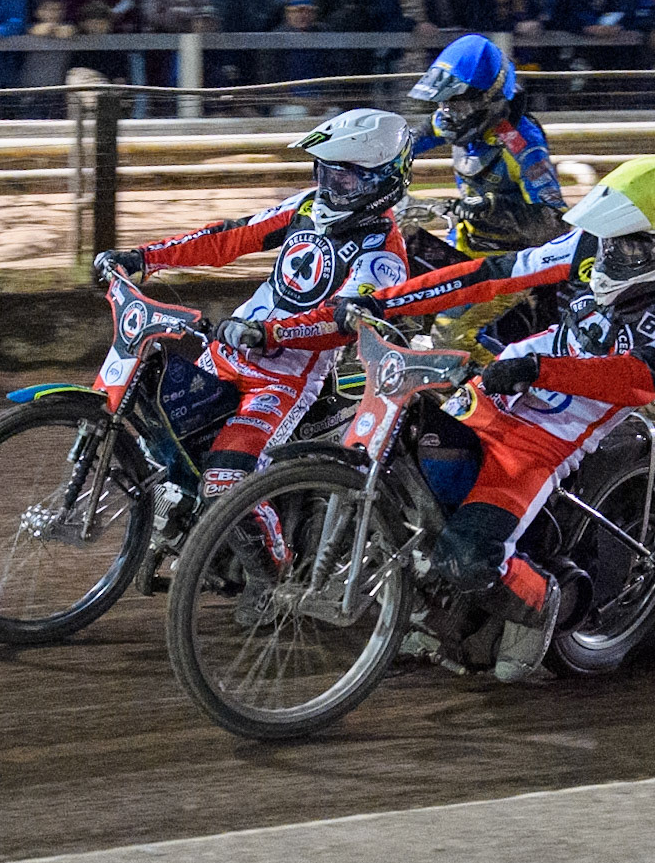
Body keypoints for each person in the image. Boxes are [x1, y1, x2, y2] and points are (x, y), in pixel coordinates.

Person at [248, 156, 655, 682]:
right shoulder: (592, 246)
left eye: (629, 244)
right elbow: (491, 274)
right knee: (413, 450)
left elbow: (638, 378)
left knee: (471, 557)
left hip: (548, 436)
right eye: (611, 239)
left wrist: (541, 370)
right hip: (500, 385)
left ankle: (546, 604)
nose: (611, 253)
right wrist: (384, 302)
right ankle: (426, 600)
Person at [92, 108, 415, 586]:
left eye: (344, 177)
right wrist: (146, 258)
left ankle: (275, 581)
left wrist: (272, 335)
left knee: (226, 478)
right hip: (226, 353)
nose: (330, 185)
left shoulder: (383, 251)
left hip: (284, 380)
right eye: (324, 170)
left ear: (381, 181)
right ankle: (193, 537)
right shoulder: (306, 206)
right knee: (159, 446)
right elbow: (229, 237)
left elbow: (346, 322)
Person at [407, 33, 569, 361]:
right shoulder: (452, 117)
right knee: (398, 263)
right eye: (444, 102)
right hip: (464, 249)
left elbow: (553, 221)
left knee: (449, 334)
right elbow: (405, 144)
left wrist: (489, 207)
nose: (448, 113)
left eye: (458, 103)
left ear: (488, 100)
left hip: (511, 264)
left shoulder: (521, 143)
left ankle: (496, 392)